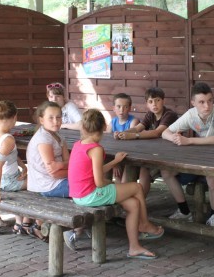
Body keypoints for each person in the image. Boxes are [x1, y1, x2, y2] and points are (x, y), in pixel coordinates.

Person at [68, 109, 164, 260]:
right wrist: (110, 182)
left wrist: (115, 162)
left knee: (133, 204)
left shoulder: (78, 144)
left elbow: (95, 171)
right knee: (137, 187)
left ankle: (134, 248)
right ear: (103, 127)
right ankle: (144, 224)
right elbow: (100, 182)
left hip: (78, 194)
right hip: (90, 194)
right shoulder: (96, 149)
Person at [161, 82, 214, 229]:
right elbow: (165, 132)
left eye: (210, 101)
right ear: (193, 103)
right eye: (201, 102)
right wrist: (176, 138)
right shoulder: (191, 114)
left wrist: (188, 140)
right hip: (201, 157)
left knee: (212, 176)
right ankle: (184, 211)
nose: (207, 106)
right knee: (166, 171)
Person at [0, 101, 45, 240]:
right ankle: (29, 223)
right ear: (15, 117)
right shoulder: (8, 139)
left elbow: (11, 155)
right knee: (41, 183)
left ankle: (20, 223)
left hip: (6, 177)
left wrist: (24, 166)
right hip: (9, 181)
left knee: (36, 179)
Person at [26, 101, 83, 248]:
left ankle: (79, 226)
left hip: (56, 180)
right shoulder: (43, 139)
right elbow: (54, 174)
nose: (56, 121)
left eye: (58, 117)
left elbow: (69, 162)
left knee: (88, 184)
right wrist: (72, 171)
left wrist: (62, 165)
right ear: (41, 120)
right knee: (86, 188)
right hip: (47, 185)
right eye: (50, 118)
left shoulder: (58, 136)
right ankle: (70, 228)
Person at [115, 87, 179, 196]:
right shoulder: (150, 115)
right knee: (130, 164)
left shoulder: (169, 114)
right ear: (147, 104)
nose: (154, 104)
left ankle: (140, 199)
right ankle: (125, 197)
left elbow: (157, 133)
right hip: (154, 152)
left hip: (169, 155)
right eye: (151, 101)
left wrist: (133, 136)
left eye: (157, 100)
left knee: (144, 167)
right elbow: (137, 128)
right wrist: (122, 133)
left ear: (163, 101)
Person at [106, 93, 139, 183]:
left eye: (125, 107)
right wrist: (115, 162)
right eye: (119, 106)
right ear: (114, 108)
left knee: (124, 182)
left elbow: (132, 141)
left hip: (130, 155)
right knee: (116, 177)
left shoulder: (133, 121)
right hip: (115, 155)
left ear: (130, 108)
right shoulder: (113, 122)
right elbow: (108, 140)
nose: (122, 110)